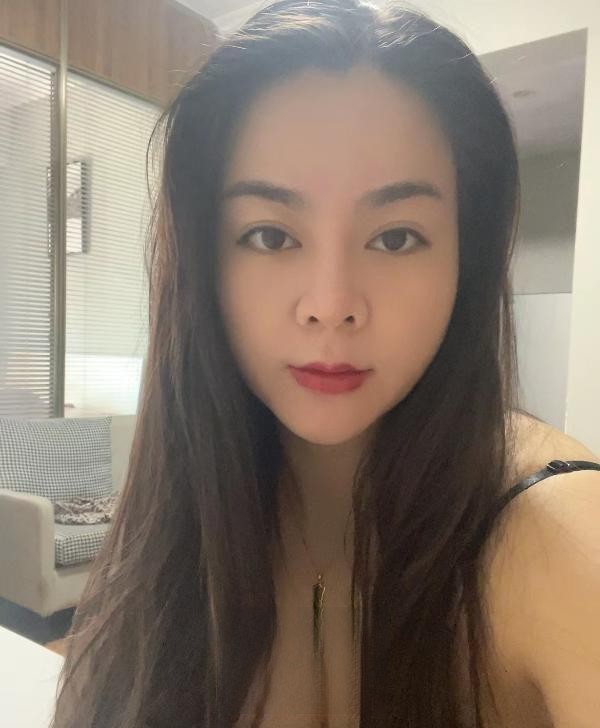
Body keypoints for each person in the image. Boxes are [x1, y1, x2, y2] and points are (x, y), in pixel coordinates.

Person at [50, 1, 600, 726]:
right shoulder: (177, 525)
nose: (331, 304)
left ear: (465, 261)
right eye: (271, 236)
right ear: (203, 262)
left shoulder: (558, 536)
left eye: (395, 238)